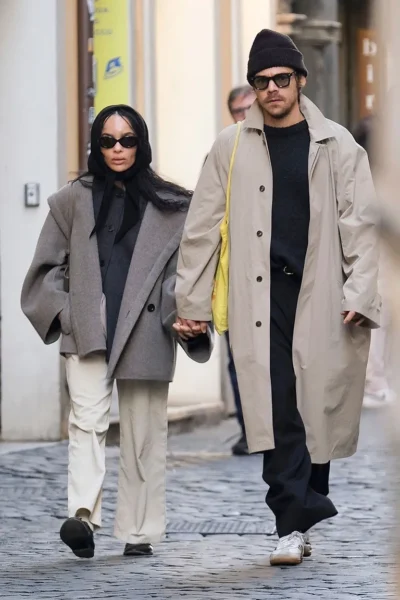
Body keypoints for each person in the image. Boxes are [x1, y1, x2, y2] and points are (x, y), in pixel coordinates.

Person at [174, 29, 380, 566]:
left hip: (323, 294)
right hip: (258, 297)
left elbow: (361, 225)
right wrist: (190, 303)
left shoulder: (338, 144)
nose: (272, 89)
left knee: (318, 408)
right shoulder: (230, 146)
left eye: (281, 79)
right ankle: (289, 523)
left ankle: (304, 509)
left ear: (300, 80)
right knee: (277, 408)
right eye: (262, 81)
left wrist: (361, 291)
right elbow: (201, 228)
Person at [21, 104, 211, 559]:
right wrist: (68, 314)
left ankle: (139, 531)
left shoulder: (171, 206)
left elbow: (181, 274)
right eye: (108, 141)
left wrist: (182, 316)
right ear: (96, 146)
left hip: (146, 326)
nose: (118, 149)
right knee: (86, 423)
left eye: (127, 140)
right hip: (89, 327)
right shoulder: (72, 200)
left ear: (141, 143)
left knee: (144, 432)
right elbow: (46, 268)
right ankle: (82, 517)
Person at [353, 115, 392, 408]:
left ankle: (374, 381)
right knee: (378, 319)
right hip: (374, 260)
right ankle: (374, 382)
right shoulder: (373, 178)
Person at [226, 85, 255, 455]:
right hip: (235, 276)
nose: (246, 115)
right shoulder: (222, 153)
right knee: (238, 359)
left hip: (280, 274)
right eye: (239, 110)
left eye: (251, 107)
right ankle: (249, 430)